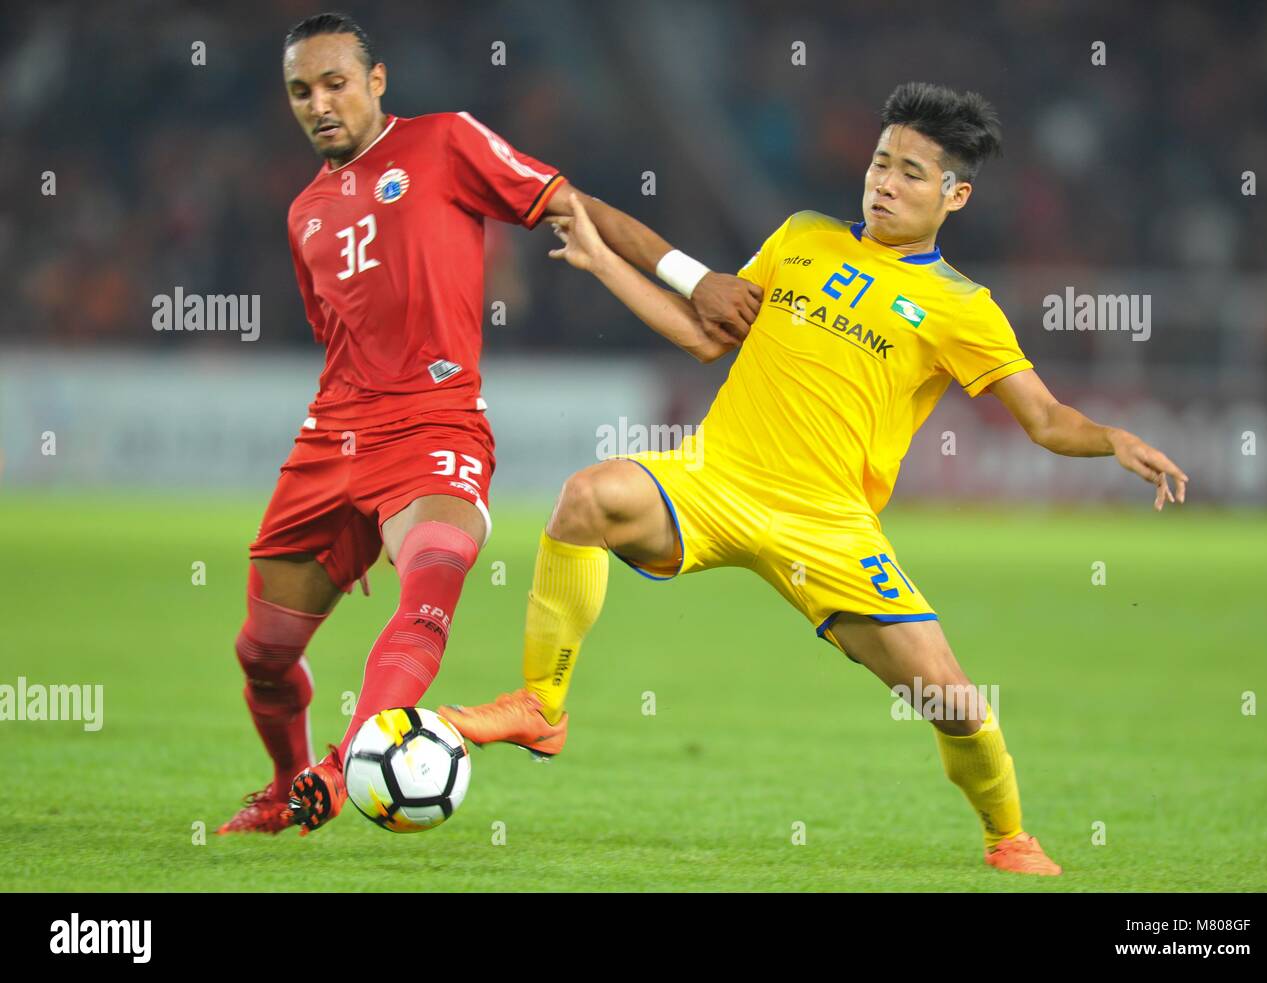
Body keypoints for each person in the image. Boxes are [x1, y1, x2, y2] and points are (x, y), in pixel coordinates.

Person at [438, 82, 1189, 876]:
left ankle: (1008, 835)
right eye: (879, 162)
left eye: (909, 173)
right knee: (587, 497)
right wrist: (601, 264)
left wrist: (1110, 440)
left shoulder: (963, 307)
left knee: (954, 701)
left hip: (829, 524)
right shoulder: (803, 237)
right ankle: (540, 705)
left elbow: (1043, 419)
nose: (884, 183)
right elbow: (704, 336)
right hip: (715, 477)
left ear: (954, 195)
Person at [218, 12, 760, 836]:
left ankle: (348, 759)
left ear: (377, 81)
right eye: (301, 90)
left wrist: (694, 279)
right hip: (332, 439)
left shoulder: (444, 143)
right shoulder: (305, 215)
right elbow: (339, 337)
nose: (320, 103)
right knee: (261, 654)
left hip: (436, 426)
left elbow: (574, 207)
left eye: (335, 82)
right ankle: (285, 782)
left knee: (433, 575)